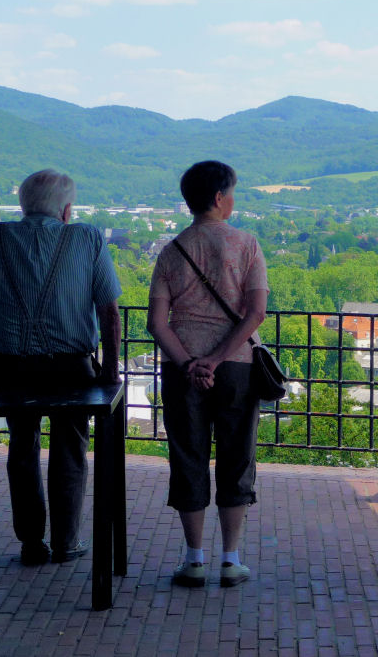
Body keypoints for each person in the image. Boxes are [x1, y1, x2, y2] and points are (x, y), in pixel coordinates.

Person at [147, 161, 268, 588]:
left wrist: (190, 364)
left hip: (182, 370)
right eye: (232, 192)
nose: (233, 199)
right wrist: (217, 359)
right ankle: (231, 559)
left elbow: (156, 323)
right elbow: (255, 313)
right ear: (219, 198)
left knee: (188, 456)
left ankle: (193, 559)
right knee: (236, 459)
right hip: (236, 368)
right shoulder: (247, 244)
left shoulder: (171, 250)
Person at [0, 169, 121, 566]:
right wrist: (110, 371)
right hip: (70, 368)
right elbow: (109, 312)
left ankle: (31, 542)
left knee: (22, 446)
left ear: (23, 205)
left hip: (11, 369)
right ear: (67, 210)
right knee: (70, 449)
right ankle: (67, 542)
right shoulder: (86, 237)